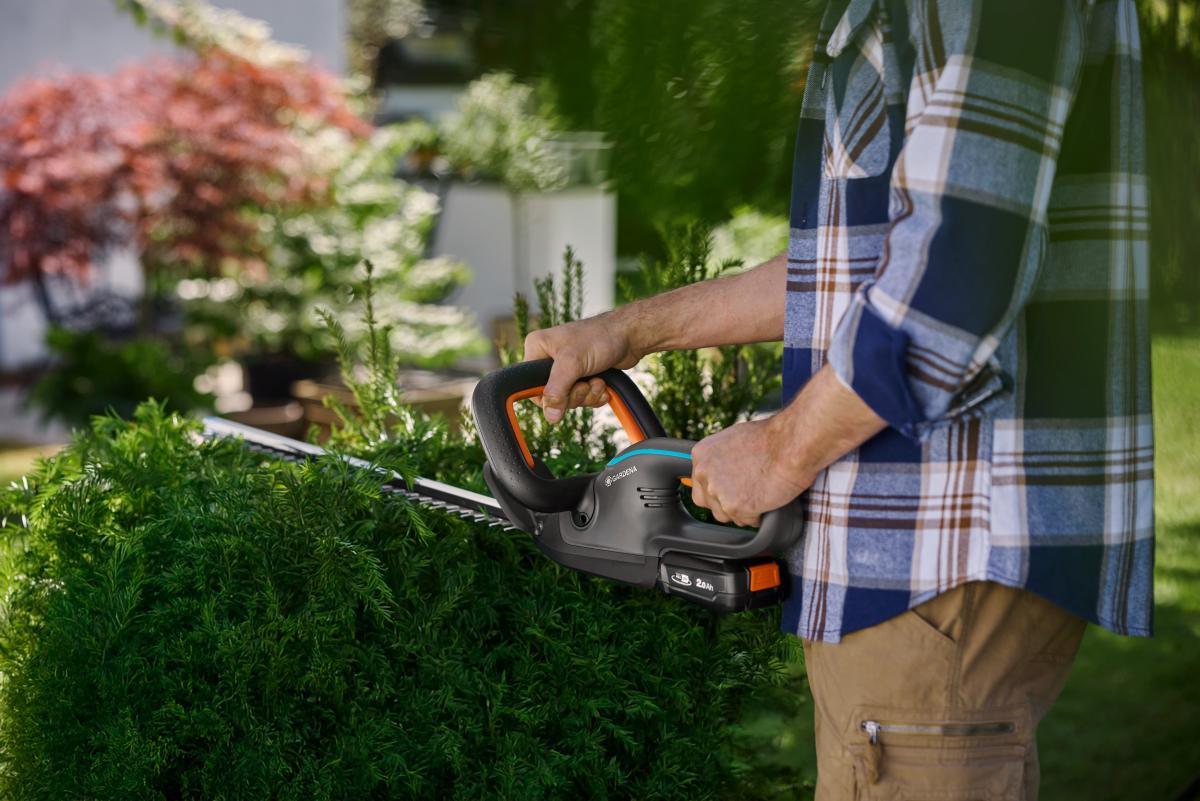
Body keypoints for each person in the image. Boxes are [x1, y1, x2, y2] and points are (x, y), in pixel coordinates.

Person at [521, 0, 1152, 798]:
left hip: (936, 560)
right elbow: (865, 265)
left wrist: (780, 449)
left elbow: (955, 276)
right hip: (929, 567)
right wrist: (631, 331)